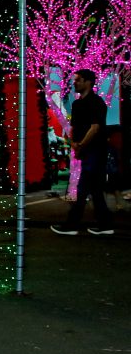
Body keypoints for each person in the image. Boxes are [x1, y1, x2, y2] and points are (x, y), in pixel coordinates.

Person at [51, 69, 113, 235]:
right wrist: (76, 145)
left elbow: (95, 128)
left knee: (84, 188)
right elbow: (76, 128)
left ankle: (72, 225)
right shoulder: (77, 104)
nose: (75, 83)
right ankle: (105, 224)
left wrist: (80, 145)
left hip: (95, 150)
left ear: (88, 82)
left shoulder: (96, 102)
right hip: (87, 150)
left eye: (78, 80)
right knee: (95, 190)